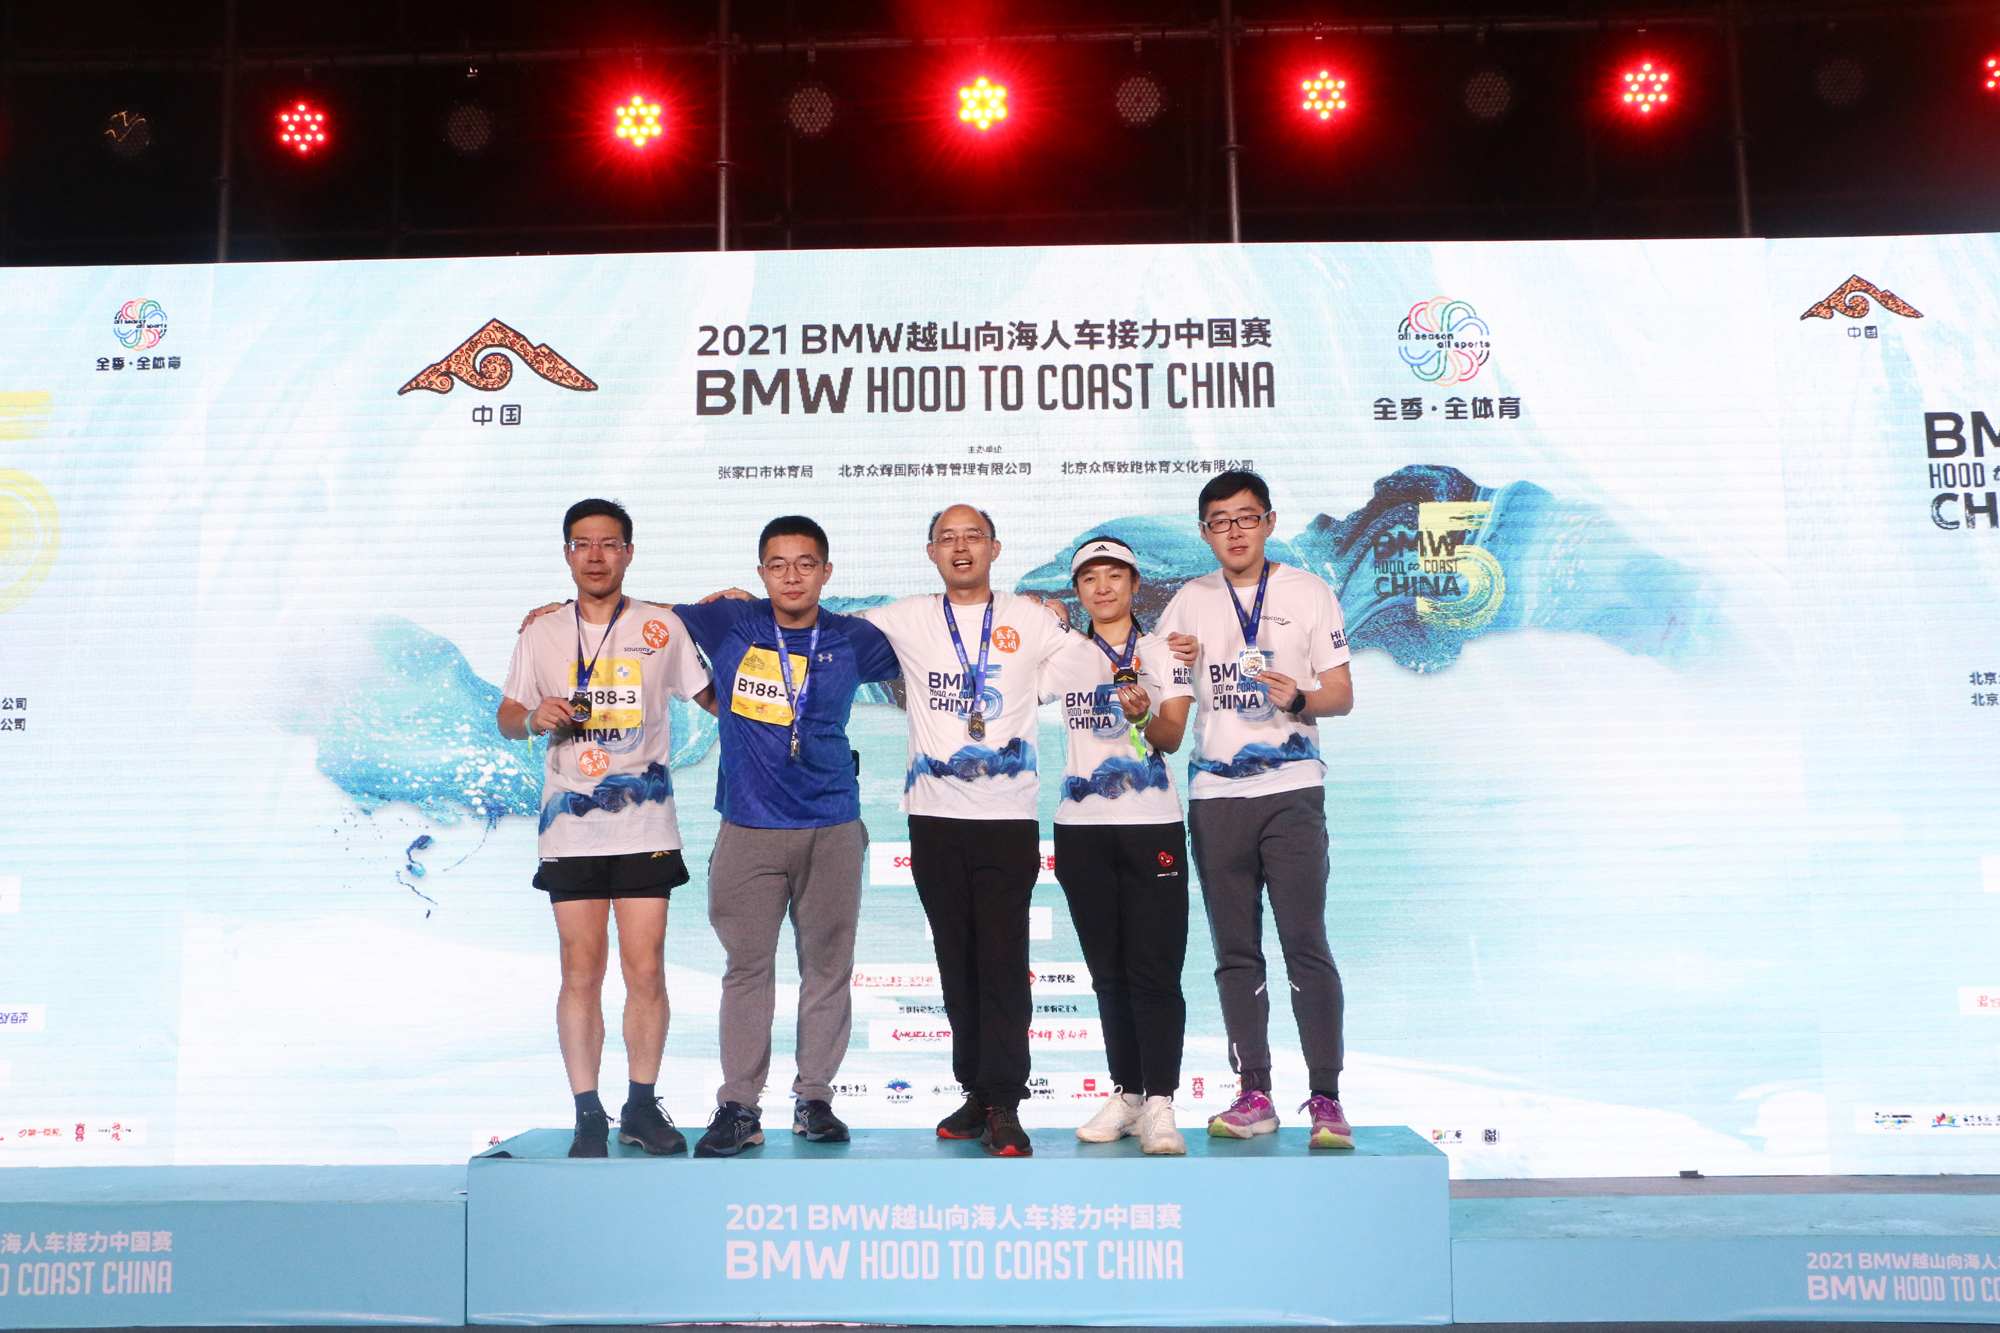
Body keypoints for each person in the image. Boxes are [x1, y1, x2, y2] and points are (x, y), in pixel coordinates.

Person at [672, 516, 902, 1158]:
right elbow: (637, 619)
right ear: (760, 573)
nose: (792, 576)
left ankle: (815, 1099)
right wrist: (562, 609)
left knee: (827, 970)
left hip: (832, 825)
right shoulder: (731, 622)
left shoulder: (853, 637)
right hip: (748, 828)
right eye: (778, 564)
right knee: (746, 970)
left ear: (826, 572)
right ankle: (739, 1107)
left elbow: (937, 643)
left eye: (805, 564)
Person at [497, 498, 716, 1159]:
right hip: (570, 828)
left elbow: (711, 696)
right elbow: (508, 714)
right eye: (582, 544)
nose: (595, 556)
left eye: (609, 543)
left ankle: (641, 1106)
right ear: (568, 553)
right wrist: (533, 717)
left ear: (628, 552)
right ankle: (587, 1112)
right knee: (580, 970)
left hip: (646, 824)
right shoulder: (540, 632)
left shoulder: (660, 626)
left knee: (646, 969)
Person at [855, 505, 1072, 1157]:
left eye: (972, 535)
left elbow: (1096, 658)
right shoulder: (906, 616)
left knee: (1002, 961)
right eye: (946, 537)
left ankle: (1005, 1100)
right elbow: (821, 626)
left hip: (1006, 817)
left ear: (994, 548)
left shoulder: (1031, 617)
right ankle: (976, 1090)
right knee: (956, 961)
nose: (960, 546)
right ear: (931, 552)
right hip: (933, 817)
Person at [1156, 470, 1357, 1149]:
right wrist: (1168, 664)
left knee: (1306, 944)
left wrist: (1298, 697)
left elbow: (1341, 693)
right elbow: (1161, 690)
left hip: (1292, 790)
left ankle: (1326, 1097)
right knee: (1235, 953)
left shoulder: (1308, 591)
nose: (1234, 531)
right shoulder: (1189, 601)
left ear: (1269, 521)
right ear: (1205, 532)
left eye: (1246, 517)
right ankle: (1254, 1093)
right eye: (1220, 521)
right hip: (1216, 798)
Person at [1039, 536, 1194, 1154]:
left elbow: (1172, 736)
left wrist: (1142, 716)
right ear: (1077, 591)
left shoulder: (1164, 651)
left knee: (1155, 969)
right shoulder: (1065, 654)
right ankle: (1127, 1094)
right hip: (1080, 830)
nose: (1102, 588)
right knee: (1107, 973)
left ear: (1134, 584)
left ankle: (1161, 1102)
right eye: (1089, 579)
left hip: (1152, 824)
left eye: (1114, 576)